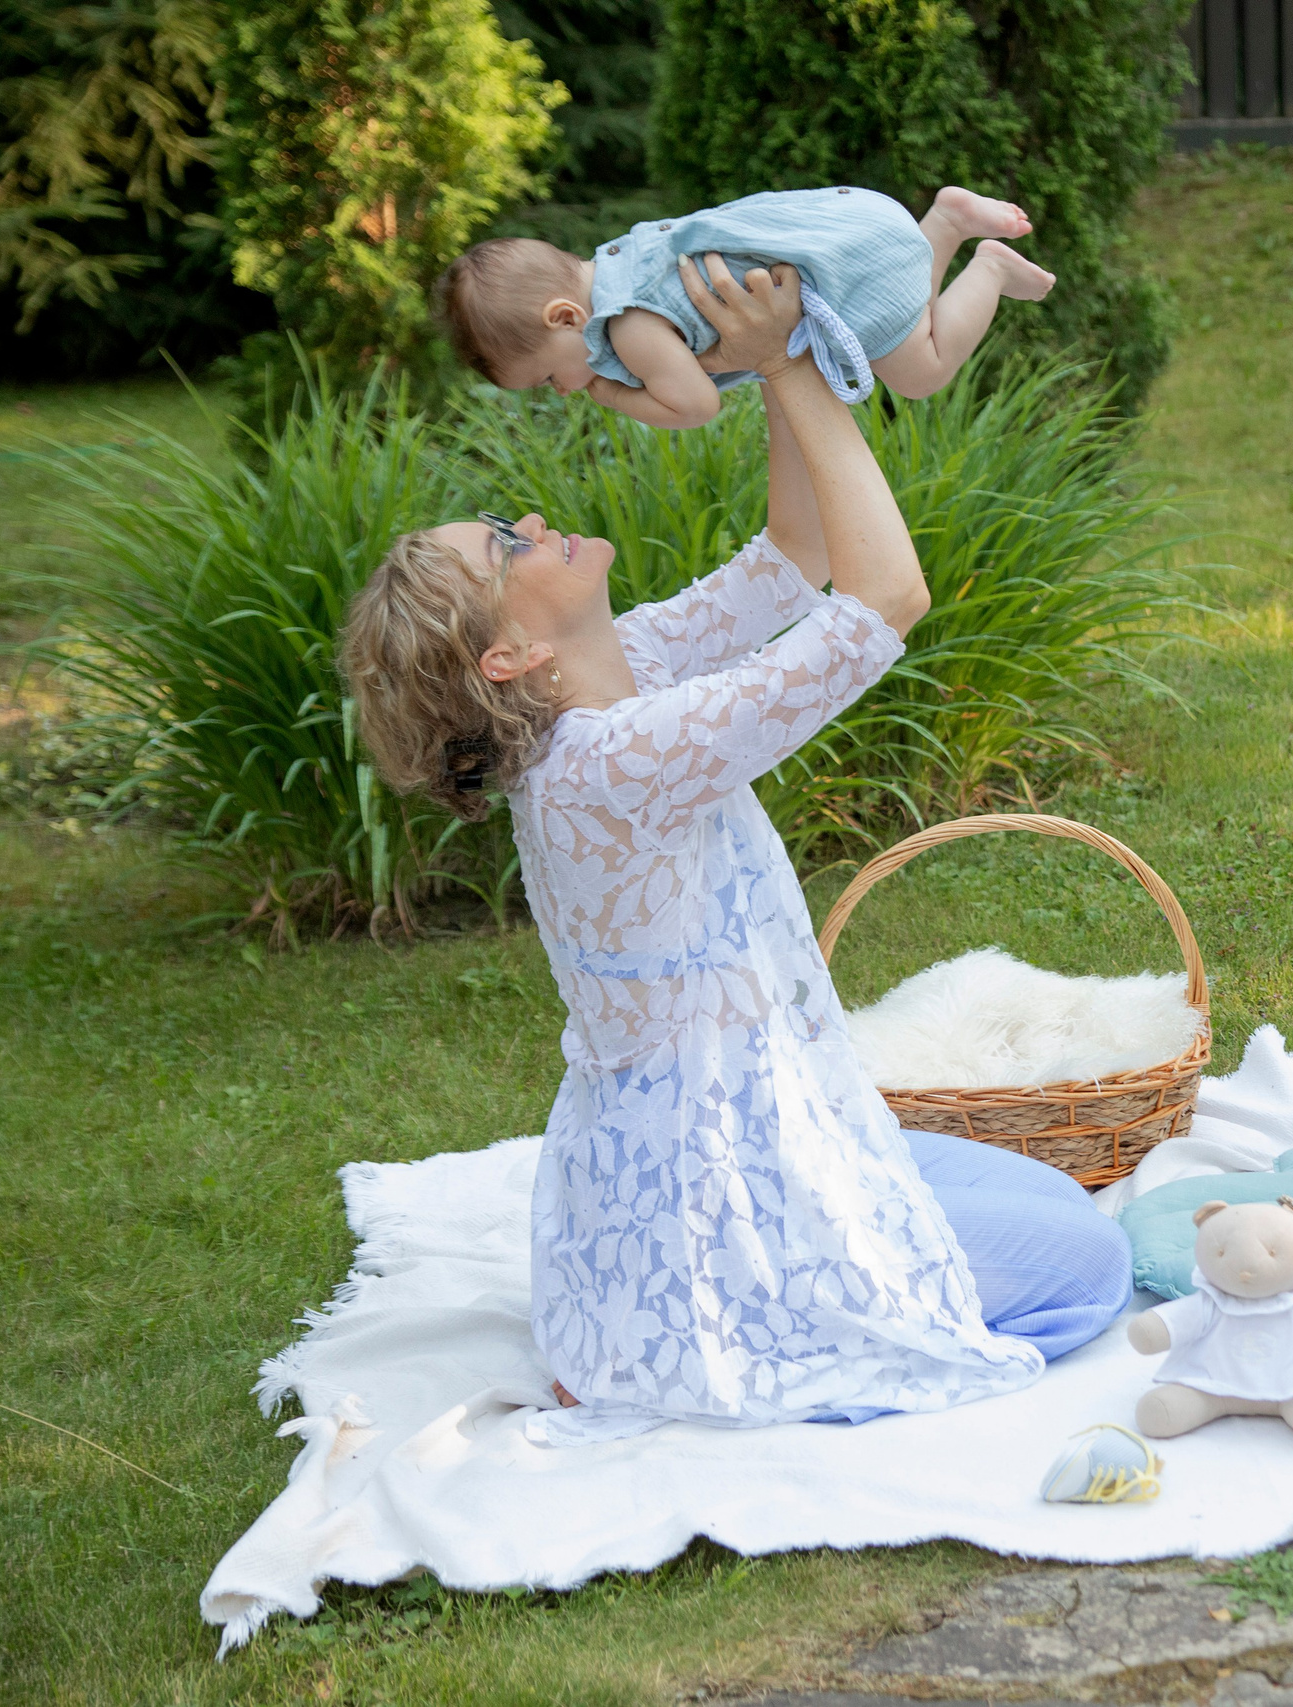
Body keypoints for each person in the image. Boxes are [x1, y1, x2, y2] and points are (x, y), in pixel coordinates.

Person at [342, 255, 1128, 1443]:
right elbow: (884, 598)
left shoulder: (623, 680)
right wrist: (776, 364)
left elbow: (792, 556)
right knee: (1085, 1258)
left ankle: (644, 1315)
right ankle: (704, 1326)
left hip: (716, 1140)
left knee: (1041, 1196)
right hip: (721, 1183)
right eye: (508, 547)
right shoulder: (614, 762)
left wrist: (789, 358)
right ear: (508, 658)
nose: (535, 523)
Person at [432, 185, 1054, 429]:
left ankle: (990, 268)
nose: (564, 390)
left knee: (922, 371)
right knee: (904, 317)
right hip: (849, 231)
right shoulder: (625, 259)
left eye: (547, 378)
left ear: (566, 317)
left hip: (840, 267)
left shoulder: (628, 328)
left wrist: (615, 396)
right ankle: (942, 223)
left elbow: (696, 406)